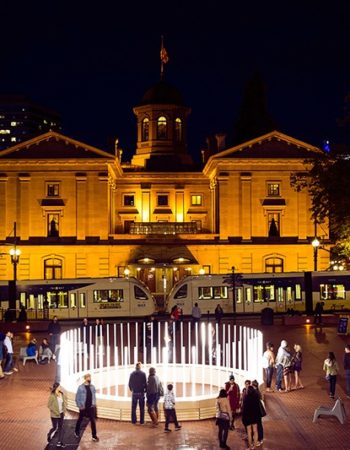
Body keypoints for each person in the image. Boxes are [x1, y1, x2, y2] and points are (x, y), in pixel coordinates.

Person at [74, 373, 99, 442]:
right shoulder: (80, 387)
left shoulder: (92, 387)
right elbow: (77, 398)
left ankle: (94, 436)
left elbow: (94, 396)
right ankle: (76, 431)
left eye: (90, 377)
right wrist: (80, 406)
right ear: (85, 379)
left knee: (92, 421)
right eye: (88, 378)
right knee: (80, 419)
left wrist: (94, 404)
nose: (90, 379)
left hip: (91, 407)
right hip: (83, 407)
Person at [241, 385, 262, 449]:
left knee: (249, 432)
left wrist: (243, 418)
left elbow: (244, 409)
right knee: (255, 431)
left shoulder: (246, 398)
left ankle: (250, 446)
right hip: (255, 417)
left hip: (248, 417)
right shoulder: (256, 397)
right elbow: (258, 408)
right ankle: (255, 446)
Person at [47, 382, 67, 447]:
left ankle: (59, 442)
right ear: (56, 387)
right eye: (59, 387)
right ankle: (49, 434)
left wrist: (64, 411)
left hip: (61, 414)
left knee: (60, 428)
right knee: (54, 427)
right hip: (54, 415)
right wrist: (55, 412)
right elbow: (49, 405)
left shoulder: (61, 394)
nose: (60, 387)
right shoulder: (52, 396)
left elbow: (64, 402)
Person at [252, 380, 264, 445]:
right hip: (258, 412)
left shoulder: (255, 393)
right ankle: (260, 438)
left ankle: (259, 439)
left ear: (254, 386)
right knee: (259, 425)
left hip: (257, 412)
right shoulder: (258, 392)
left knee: (258, 425)